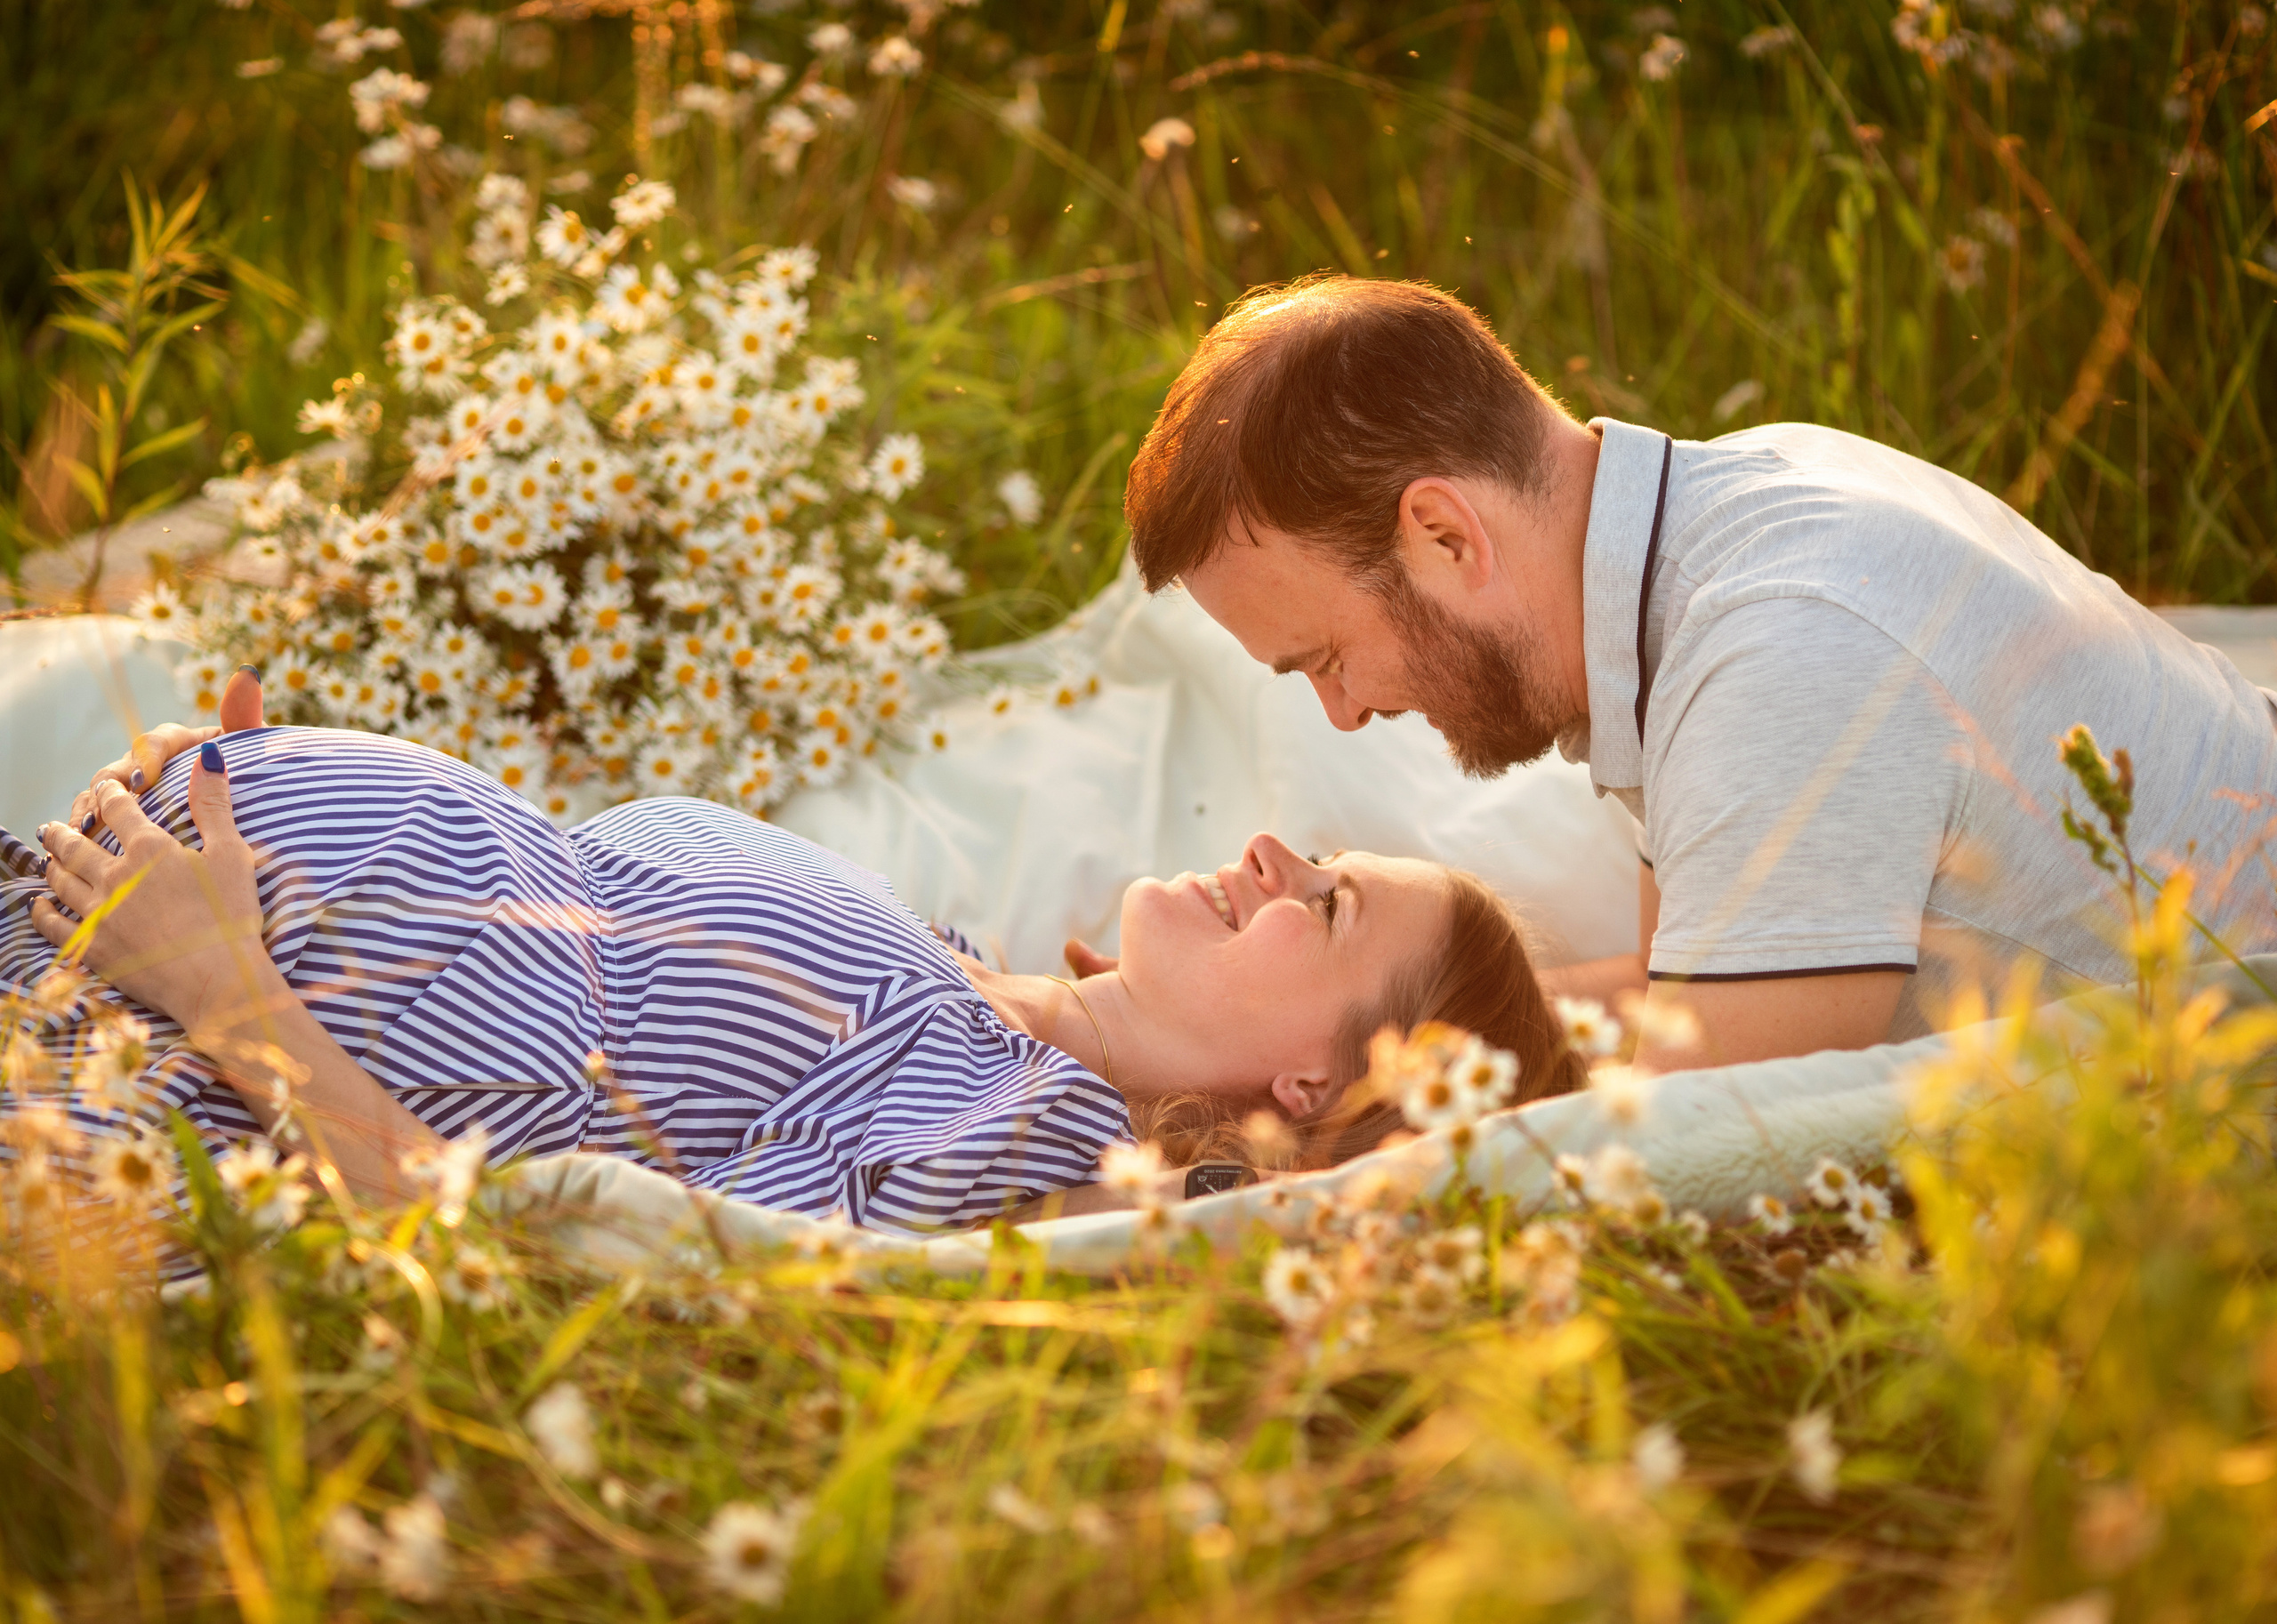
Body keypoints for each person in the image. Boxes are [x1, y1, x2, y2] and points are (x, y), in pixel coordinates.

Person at [1120, 274, 2277, 1072]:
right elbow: (1678, 999)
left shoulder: (1775, 659)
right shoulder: (1719, 523)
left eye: (1325, 655)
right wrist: (1293, 1027)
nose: (1344, 709)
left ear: (1447, 537)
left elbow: (1712, 1155)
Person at [4, 674, 1581, 1232]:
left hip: (114, 1095)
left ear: (1317, 1084)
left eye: (1328, 902)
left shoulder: (1022, 1140)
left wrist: (227, 982)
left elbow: (565, 1249)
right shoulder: (953, 967)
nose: (1269, 853)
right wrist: (240, 795)